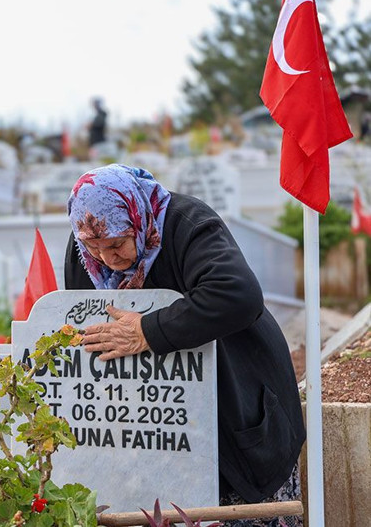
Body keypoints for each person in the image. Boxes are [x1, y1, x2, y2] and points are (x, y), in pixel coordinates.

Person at [64, 164, 305, 527]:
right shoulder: (86, 243)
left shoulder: (185, 224)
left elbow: (237, 294)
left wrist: (148, 331)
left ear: (137, 218)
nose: (106, 260)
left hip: (238, 404)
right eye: (93, 249)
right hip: (159, 430)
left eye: (116, 244)